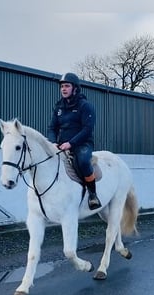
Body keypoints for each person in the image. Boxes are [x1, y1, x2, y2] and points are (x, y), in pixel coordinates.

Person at [47, 72, 102, 210]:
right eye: (62, 86)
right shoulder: (58, 107)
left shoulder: (85, 106)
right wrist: (53, 142)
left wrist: (71, 143)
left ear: (75, 88)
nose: (63, 89)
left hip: (82, 144)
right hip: (61, 145)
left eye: (66, 86)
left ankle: (93, 195)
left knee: (83, 161)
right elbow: (52, 128)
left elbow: (87, 129)